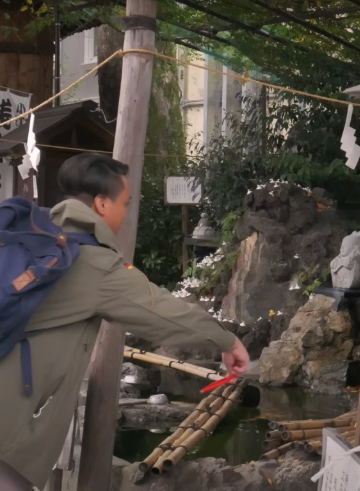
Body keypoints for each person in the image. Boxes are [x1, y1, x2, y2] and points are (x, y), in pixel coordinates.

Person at [0, 153, 249, 489]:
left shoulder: (42, 238)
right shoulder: (93, 261)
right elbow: (158, 310)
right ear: (102, 204)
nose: (125, 213)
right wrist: (227, 341)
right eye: (125, 203)